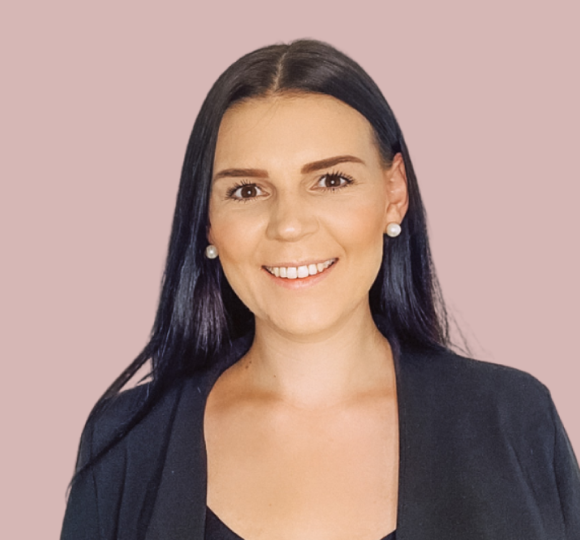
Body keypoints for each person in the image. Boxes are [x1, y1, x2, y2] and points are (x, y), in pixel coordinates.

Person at [61, 39, 580, 540]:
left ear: (394, 193)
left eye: (331, 181)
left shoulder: (515, 421)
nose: (289, 225)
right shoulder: (125, 443)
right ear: (208, 223)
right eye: (247, 190)